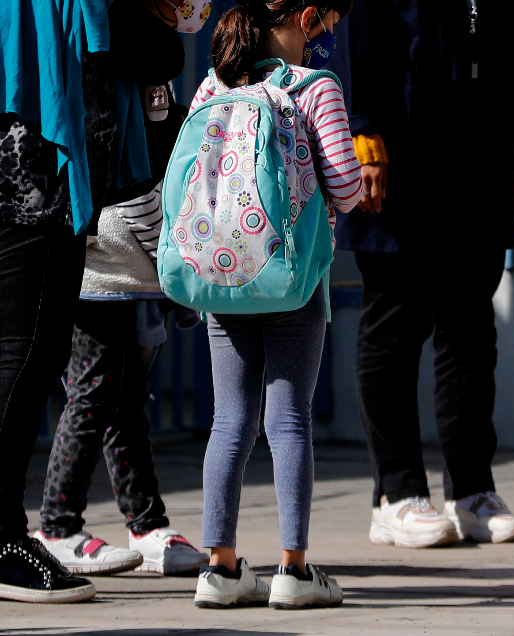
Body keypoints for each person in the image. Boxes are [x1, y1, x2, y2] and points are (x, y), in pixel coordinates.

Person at [338, 0, 514, 548]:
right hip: (402, 148)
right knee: (395, 323)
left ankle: (473, 492)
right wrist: (366, 136)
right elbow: (363, 39)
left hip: (481, 151)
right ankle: (397, 492)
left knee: (471, 333)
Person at [187, 0, 361, 609]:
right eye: (332, 19)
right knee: (287, 419)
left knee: (228, 418)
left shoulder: (211, 85)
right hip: (292, 275)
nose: (333, 32)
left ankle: (221, 568)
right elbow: (344, 184)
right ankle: (292, 570)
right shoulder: (315, 89)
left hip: (223, 272)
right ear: (307, 16)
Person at [33, 0, 210, 578]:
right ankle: (58, 524)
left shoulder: (151, 51)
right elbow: (151, 57)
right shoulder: (106, 30)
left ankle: (146, 522)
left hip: (138, 247)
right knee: (93, 390)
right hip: (100, 246)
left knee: (126, 396)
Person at [0, 0, 151, 604]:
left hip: (34, 139)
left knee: (32, 349)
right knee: (27, 347)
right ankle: (3, 536)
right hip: (31, 147)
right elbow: (140, 44)